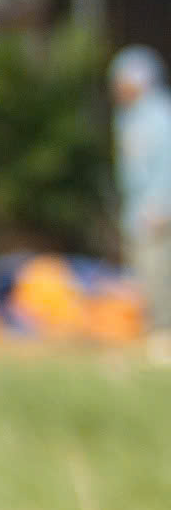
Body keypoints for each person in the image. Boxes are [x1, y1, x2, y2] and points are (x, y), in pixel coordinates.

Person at [113, 46, 171, 354]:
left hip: (157, 209)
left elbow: (165, 163)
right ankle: (154, 331)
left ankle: (164, 334)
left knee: (160, 270)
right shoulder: (129, 118)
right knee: (145, 272)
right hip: (138, 210)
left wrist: (161, 203)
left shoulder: (160, 116)